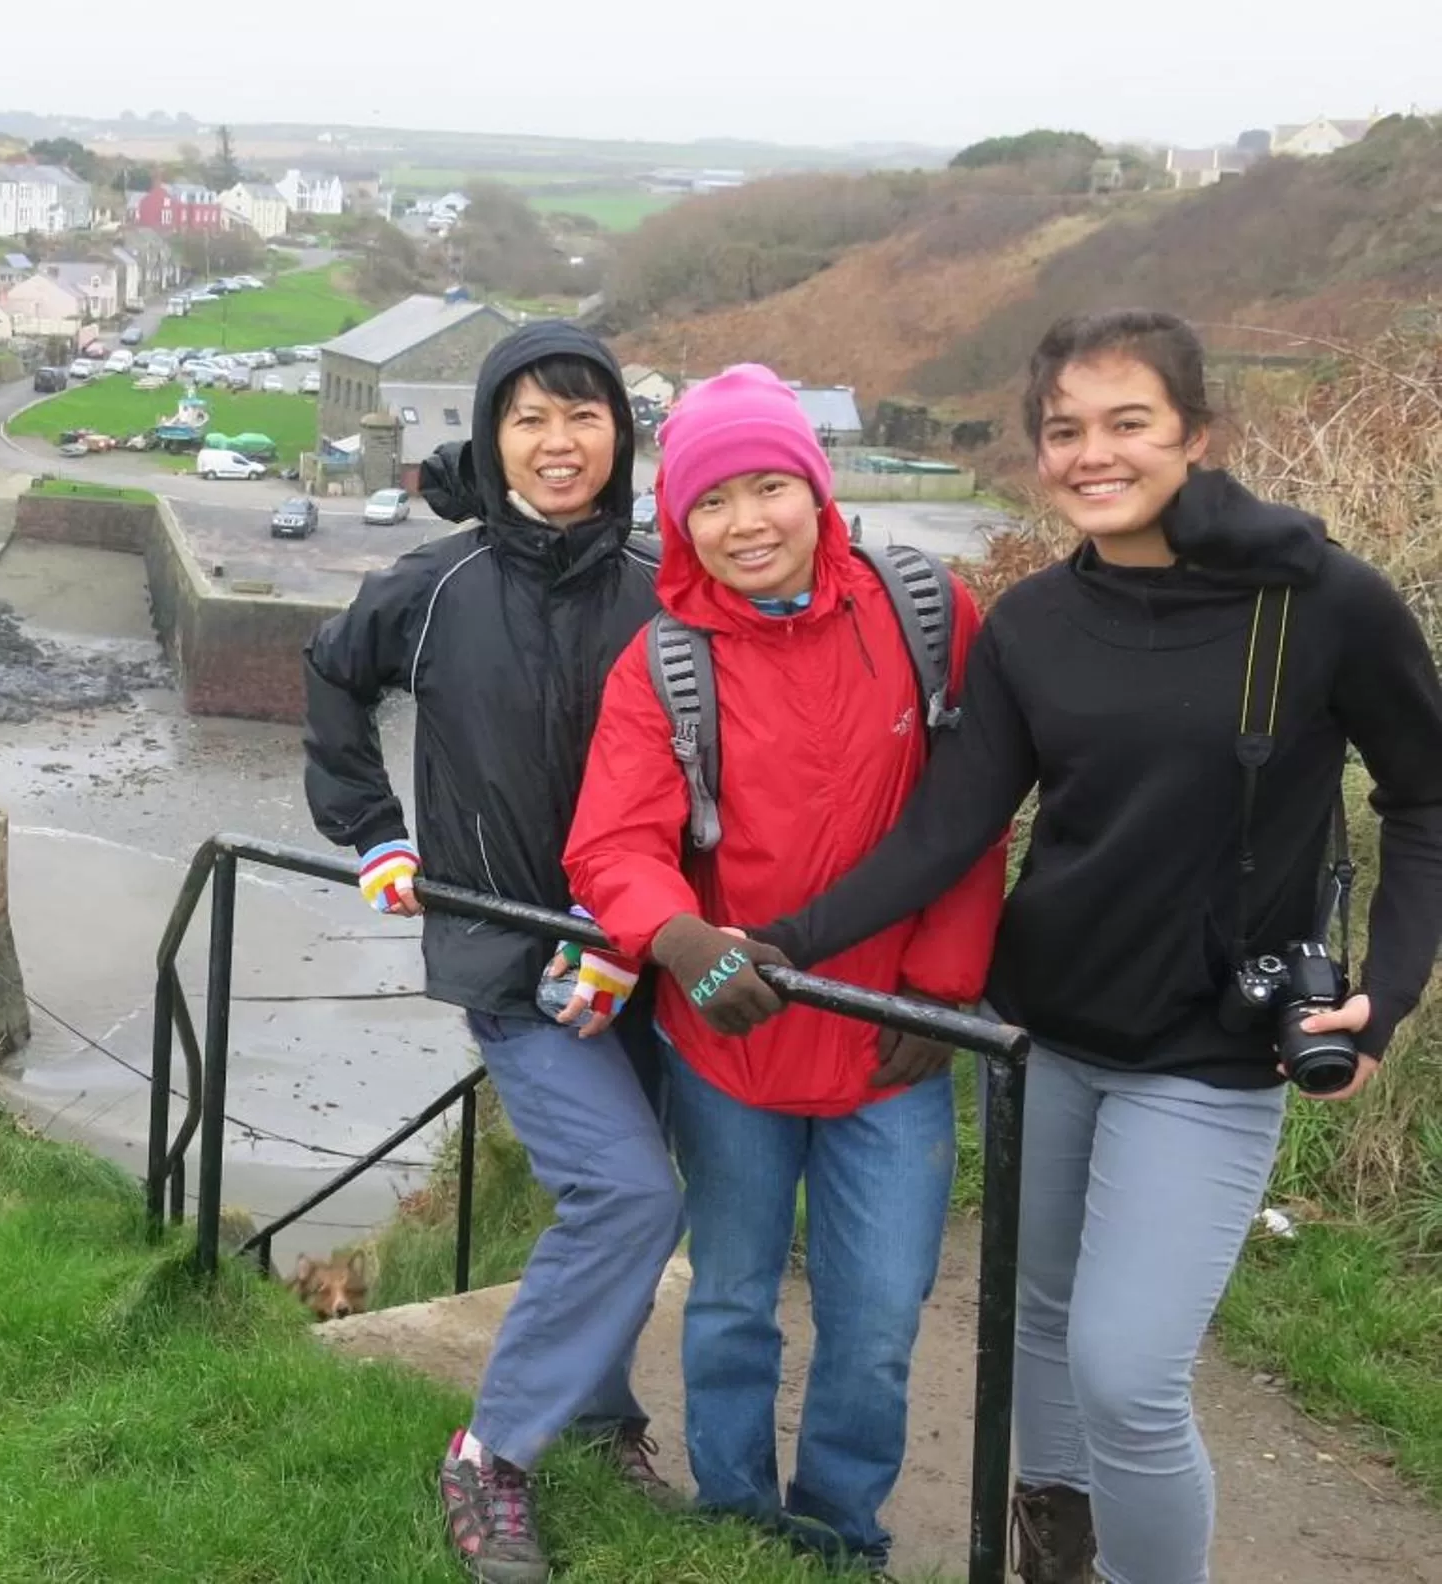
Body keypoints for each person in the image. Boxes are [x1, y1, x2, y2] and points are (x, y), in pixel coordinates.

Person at [733, 309, 1442, 1584]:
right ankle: (1053, 1549)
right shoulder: (1034, 623)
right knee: (1042, 1320)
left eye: (1128, 423)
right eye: (1064, 430)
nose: (1091, 455)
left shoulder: (1321, 603)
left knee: (1127, 1374)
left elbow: (1424, 799)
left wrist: (1385, 994)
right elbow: (948, 828)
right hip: (1045, 1035)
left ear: (1196, 434)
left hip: (1210, 1052)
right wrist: (777, 942)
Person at [561, 365, 1006, 1572]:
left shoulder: (927, 613)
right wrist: (680, 941)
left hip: (892, 1043)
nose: (744, 522)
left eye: (768, 487)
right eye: (710, 501)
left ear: (817, 489)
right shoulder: (662, 664)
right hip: (730, 1041)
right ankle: (734, 1517)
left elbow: (972, 819)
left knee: (877, 1319)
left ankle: (839, 1531)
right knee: (728, 1300)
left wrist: (943, 990)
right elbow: (612, 845)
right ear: (678, 522)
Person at [303, 322, 675, 1584]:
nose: (557, 443)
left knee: (626, 1194)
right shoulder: (436, 586)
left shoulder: (663, 585)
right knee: (628, 1195)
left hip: (649, 950)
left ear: (619, 434)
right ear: (490, 435)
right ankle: (491, 1453)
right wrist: (372, 831)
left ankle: (603, 1413)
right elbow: (331, 677)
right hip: (508, 955)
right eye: (528, 419)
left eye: (582, 416)